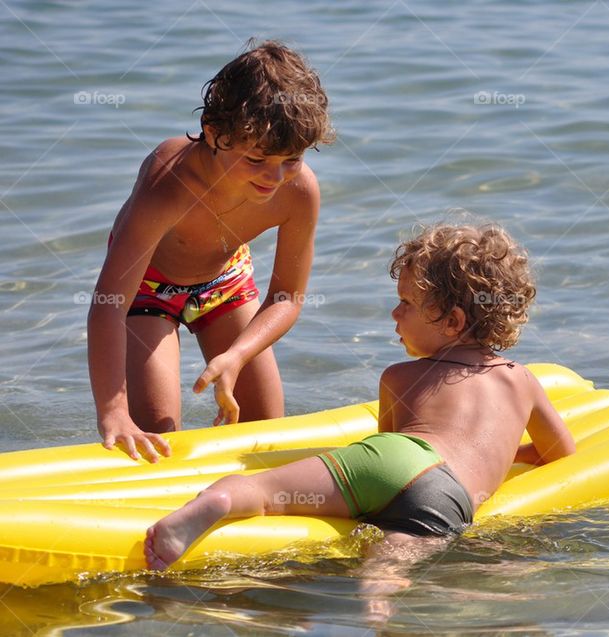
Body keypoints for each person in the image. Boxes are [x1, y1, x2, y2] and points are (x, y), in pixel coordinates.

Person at [144, 222, 577, 570]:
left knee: (263, 492)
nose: (395, 313)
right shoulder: (522, 379)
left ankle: (217, 504)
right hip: (447, 496)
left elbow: (387, 450)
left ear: (452, 321)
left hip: (393, 458)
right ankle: (379, 598)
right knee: (394, 557)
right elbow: (559, 450)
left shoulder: (399, 376)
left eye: (406, 303)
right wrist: (509, 453)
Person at [87, 41, 335, 463]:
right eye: (257, 158)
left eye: (290, 159)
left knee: (265, 437)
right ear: (214, 132)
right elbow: (109, 304)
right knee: (157, 440)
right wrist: (113, 411)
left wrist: (237, 355)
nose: (275, 177)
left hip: (226, 280)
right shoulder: (168, 183)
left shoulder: (299, 190)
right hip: (148, 290)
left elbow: (287, 298)